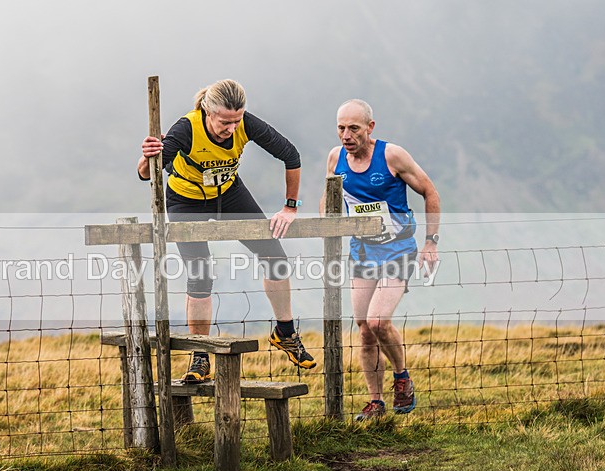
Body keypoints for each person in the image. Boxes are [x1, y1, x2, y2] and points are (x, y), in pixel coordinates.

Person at [137, 79, 316, 382]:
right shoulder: (186, 129)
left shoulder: (245, 123)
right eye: (224, 122)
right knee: (200, 274)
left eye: (236, 121)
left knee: (276, 259)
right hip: (185, 201)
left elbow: (291, 155)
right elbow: (145, 174)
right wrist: (147, 155)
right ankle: (200, 356)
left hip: (229, 194)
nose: (232, 129)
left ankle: (285, 333)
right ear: (208, 111)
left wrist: (290, 206)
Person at [320, 99, 440, 421]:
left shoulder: (391, 156)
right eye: (341, 128)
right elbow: (328, 199)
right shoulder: (335, 158)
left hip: (398, 250)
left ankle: (402, 377)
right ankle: (376, 402)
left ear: (370, 127)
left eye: (354, 128)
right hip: (362, 251)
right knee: (364, 329)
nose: (346, 135)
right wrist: (328, 227)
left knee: (378, 321)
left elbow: (430, 191)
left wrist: (431, 242)